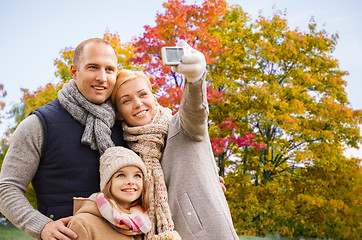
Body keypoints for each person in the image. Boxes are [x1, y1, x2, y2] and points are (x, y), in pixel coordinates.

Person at [0, 38, 127, 240]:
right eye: (93, 67)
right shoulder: (39, 124)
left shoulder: (126, 121)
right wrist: (42, 226)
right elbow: (7, 188)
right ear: (74, 72)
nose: (102, 77)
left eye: (109, 69)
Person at [112, 40, 239, 239]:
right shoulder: (127, 156)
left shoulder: (181, 127)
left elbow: (195, 110)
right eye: (126, 100)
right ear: (119, 113)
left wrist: (195, 78)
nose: (137, 104)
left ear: (154, 99)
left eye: (143, 94)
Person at [67, 146, 151, 240]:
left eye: (137, 175)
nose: (131, 181)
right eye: (121, 175)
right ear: (108, 182)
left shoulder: (145, 222)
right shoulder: (83, 223)